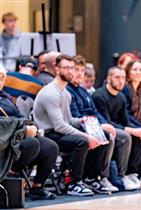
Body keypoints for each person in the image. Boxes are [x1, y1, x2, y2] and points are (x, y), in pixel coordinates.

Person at [33, 54, 111, 196]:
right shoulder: (51, 93)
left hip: (59, 131)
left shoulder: (65, 93)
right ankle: (73, 183)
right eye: (66, 68)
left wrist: (82, 121)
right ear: (57, 69)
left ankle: (91, 178)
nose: (70, 71)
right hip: (48, 134)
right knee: (81, 141)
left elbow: (68, 120)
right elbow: (59, 126)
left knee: (102, 135)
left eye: (72, 68)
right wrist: (86, 136)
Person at [0, 65, 58, 200]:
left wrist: (28, 126)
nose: (0, 82)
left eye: (3, 79)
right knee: (32, 143)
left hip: (17, 132)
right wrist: (23, 129)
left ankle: (37, 187)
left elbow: (20, 116)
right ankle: (10, 172)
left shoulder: (6, 97)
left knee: (50, 147)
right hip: (5, 138)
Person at [67, 55, 120, 192]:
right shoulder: (67, 90)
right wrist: (97, 126)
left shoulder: (83, 91)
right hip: (76, 126)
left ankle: (95, 177)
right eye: (76, 69)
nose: (80, 73)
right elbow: (75, 115)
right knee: (99, 135)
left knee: (106, 134)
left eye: (82, 70)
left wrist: (103, 123)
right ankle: (87, 177)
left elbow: (94, 111)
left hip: (90, 124)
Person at [92, 66, 141, 190]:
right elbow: (106, 122)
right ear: (109, 78)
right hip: (105, 128)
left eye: (123, 78)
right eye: (117, 77)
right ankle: (120, 176)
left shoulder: (121, 97)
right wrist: (131, 130)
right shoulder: (99, 96)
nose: (121, 81)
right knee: (125, 136)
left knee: (140, 135)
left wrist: (139, 130)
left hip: (118, 127)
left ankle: (131, 174)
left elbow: (125, 121)